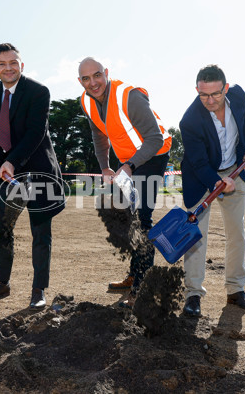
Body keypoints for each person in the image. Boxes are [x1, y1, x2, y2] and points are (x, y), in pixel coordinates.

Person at [77, 57, 171, 308]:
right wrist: (105, 166)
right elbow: (99, 134)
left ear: (106, 73)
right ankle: (134, 276)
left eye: (97, 75)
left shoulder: (129, 96)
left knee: (142, 218)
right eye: (86, 79)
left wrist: (129, 166)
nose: (93, 83)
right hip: (128, 162)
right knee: (128, 217)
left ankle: (143, 287)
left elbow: (155, 139)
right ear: (80, 81)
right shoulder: (87, 101)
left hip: (153, 155)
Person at [0, 43, 65, 309]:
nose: (8, 68)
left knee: (40, 231)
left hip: (37, 170)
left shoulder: (39, 91)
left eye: (13, 62)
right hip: (7, 174)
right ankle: (2, 283)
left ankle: (39, 290)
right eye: (2, 64)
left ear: (21, 65)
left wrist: (13, 161)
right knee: (2, 229)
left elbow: (36, 133)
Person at [179, 64, 245, 317]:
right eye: (203, 95)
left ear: (225, 88)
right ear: (197, 90)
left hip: (234, 170)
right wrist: (217, 182)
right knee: (195, 237)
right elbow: (199, 163)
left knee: (237, 233)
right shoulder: (190, 120)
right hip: (201, 177)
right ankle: (193, 294)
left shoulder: (238, 95)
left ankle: (236, 290)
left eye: (215, 94)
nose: (210, 100)